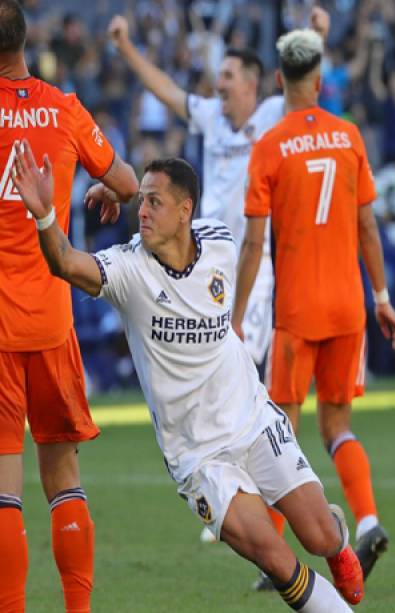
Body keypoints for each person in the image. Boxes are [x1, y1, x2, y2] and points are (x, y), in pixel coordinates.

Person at [13, 145, 364, 613]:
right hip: (199, 458)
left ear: (186, 212)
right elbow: (65, 263)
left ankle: (337, 541)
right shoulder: (127, 270)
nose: (143, 212)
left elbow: (259, 226)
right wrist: (43, 216)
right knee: (274, 557)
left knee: (318, 534)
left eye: (154, 202)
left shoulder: (219, 241)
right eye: (141, 201)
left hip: (255, 422)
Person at [106, 6, 330, 550]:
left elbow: (303, 77)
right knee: (224, 372)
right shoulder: (210, 118)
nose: (219, 85)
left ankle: (260, 496)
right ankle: (236, 492)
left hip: (247, 264)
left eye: (228, 77)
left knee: (245, 377)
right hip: (196, 261)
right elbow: (167, 93)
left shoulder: (276, 112)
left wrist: (317, 33)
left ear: (255, 86)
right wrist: (128, 48)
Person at [232, 27, 395, 586]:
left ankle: (275, 554)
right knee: (338, 426)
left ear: (280, 80)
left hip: (297, 311)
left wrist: (234, 318)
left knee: (279, 428)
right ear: (320, 80)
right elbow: (368, 226)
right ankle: (369, 519)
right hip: (349, 305)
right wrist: (381, 296)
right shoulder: (350, 136)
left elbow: (255, 242)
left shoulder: (271, 145)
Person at [0, 1, 139, 611]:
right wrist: (106, 185)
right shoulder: (64, 108)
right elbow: (132, 183)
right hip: (53, 320)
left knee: (4, 493)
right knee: (63, 479)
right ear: (26, 39)